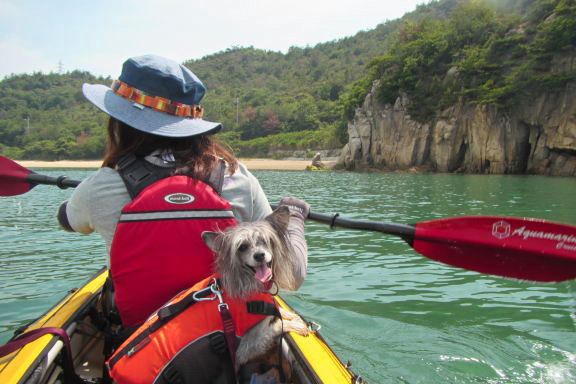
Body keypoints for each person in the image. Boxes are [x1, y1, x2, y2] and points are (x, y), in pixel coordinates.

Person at [57, 54, 309, 328]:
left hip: (139, 341)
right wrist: (294, 218)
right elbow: (291, 276)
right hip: (224, 332)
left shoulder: (100, 186)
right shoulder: (238, 178)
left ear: (121, 123)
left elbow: (68, 221)